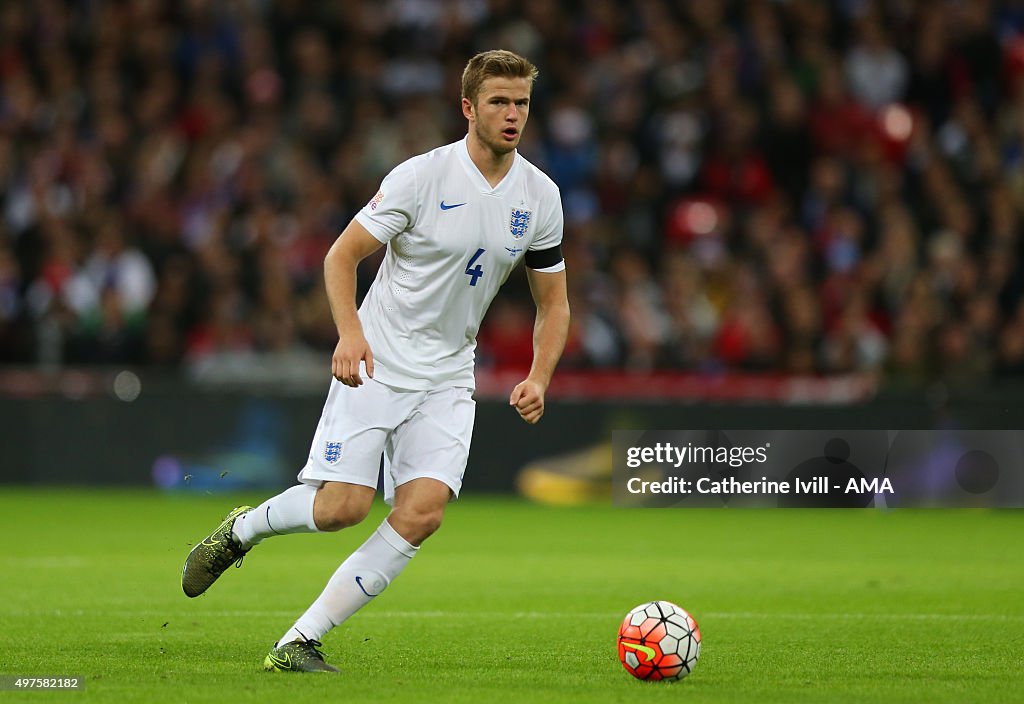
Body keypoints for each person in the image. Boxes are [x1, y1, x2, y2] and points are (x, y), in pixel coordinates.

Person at [181, 49, 570, 673]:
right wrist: (349, 334)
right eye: (499, 101)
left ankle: (297, 642)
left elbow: (554, 304)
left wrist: (539, 375)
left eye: (521, 103)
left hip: (448, 374)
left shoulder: (541, 196)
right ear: (468, 107)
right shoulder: (420, 177)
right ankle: (241, 530)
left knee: (423, 513)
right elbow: (341, 257)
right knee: (342, 509)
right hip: (381, 359)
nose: (512, 114)